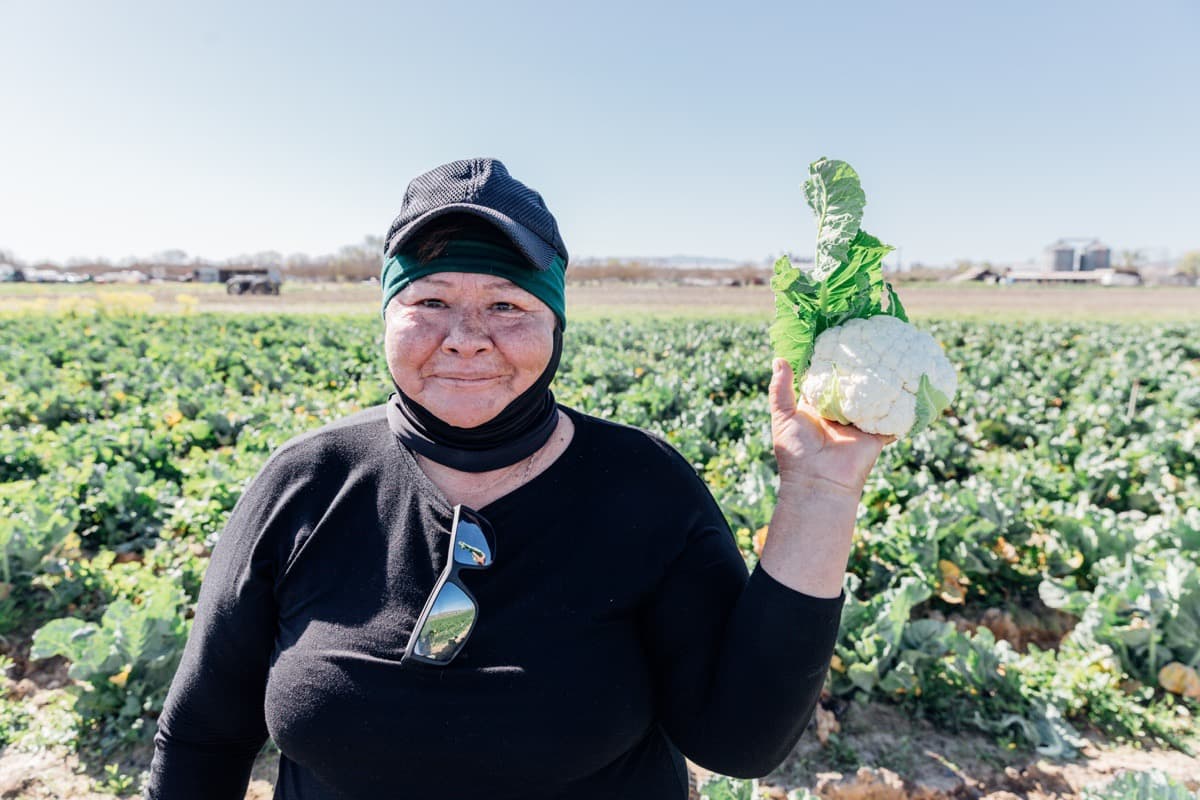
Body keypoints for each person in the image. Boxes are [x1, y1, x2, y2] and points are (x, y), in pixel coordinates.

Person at [144, 158, 891, 800]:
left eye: (507, 304)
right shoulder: (306, 482)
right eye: (429, 301)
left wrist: (819, 493)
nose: (466, 339)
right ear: (386, 315)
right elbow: (201, 739)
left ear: (555, 322)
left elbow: (740, 743)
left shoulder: (642, 487)